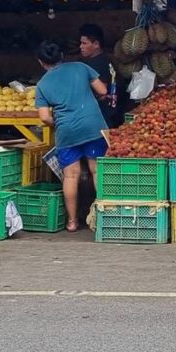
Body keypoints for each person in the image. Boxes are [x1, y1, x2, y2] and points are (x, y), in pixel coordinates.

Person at [34, 41, 110, 232]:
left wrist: (59, 122)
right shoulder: (81, 67)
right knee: (97, 171)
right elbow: (103, 90)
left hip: (66, 131)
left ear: (41, 62)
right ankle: (104, 217)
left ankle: (72, 222)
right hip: (93, 126)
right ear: (62, 56)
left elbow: (44, 117)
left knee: (70, 175)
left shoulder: (42, 84)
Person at [78, 24, 119, 128]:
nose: (81, 47)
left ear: (96, 44)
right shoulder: (107, 60)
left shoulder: (96, 64)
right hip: (111, 112)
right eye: (80, 43)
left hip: (102, 116)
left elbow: (101, 91)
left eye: (84, 43)